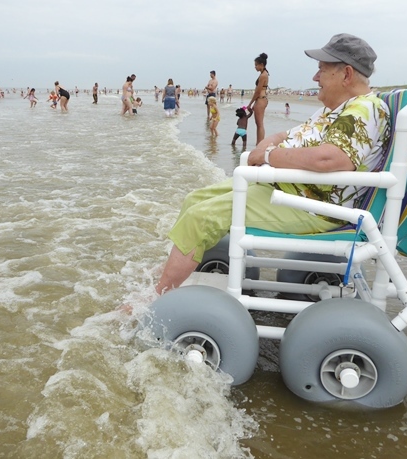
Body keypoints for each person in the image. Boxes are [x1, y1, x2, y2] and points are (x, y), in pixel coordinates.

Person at [154, 33, 390, 295]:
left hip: (311, 206)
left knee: (200, 218)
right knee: (194, 201)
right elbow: (287, 135)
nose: (315, 78)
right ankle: (172, 273)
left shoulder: (362, 110)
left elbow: (330, 158)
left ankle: (156, 296)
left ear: (346, 74)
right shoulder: (337, 109)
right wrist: (268, 145)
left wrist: (267, 156)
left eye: (321, 70)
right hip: (288, 190)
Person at [247, 52, 270, 145]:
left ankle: (259, 145)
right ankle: (259, 144)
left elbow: (257, 91)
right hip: (261, 99)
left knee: (259, 124)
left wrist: (250, 104)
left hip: (261, 99)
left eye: (256, 65)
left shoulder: (263, 75)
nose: (255, 67)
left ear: (261, 64)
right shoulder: (264, 73)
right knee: (259, 124)